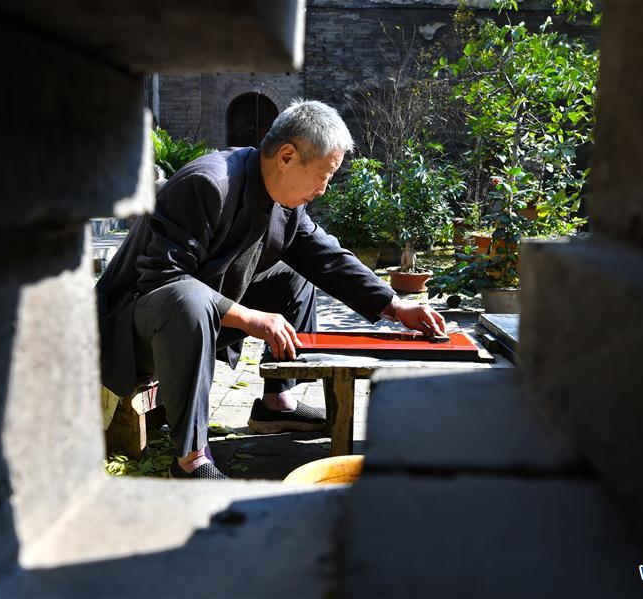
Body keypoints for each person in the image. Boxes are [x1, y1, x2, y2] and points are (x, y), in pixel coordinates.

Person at [96, 99, 447, 479]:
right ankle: (191, 460)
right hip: (131, 328)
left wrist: (395, 306)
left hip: (195, 314)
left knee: (293, 277)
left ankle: (277, 402)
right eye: (324, 175)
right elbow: (163, 277)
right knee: (189, 298)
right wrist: (251, 318)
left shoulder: (284, 201)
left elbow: (325, 256)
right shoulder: (207, 183)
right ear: (287, 156)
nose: (324, 189)